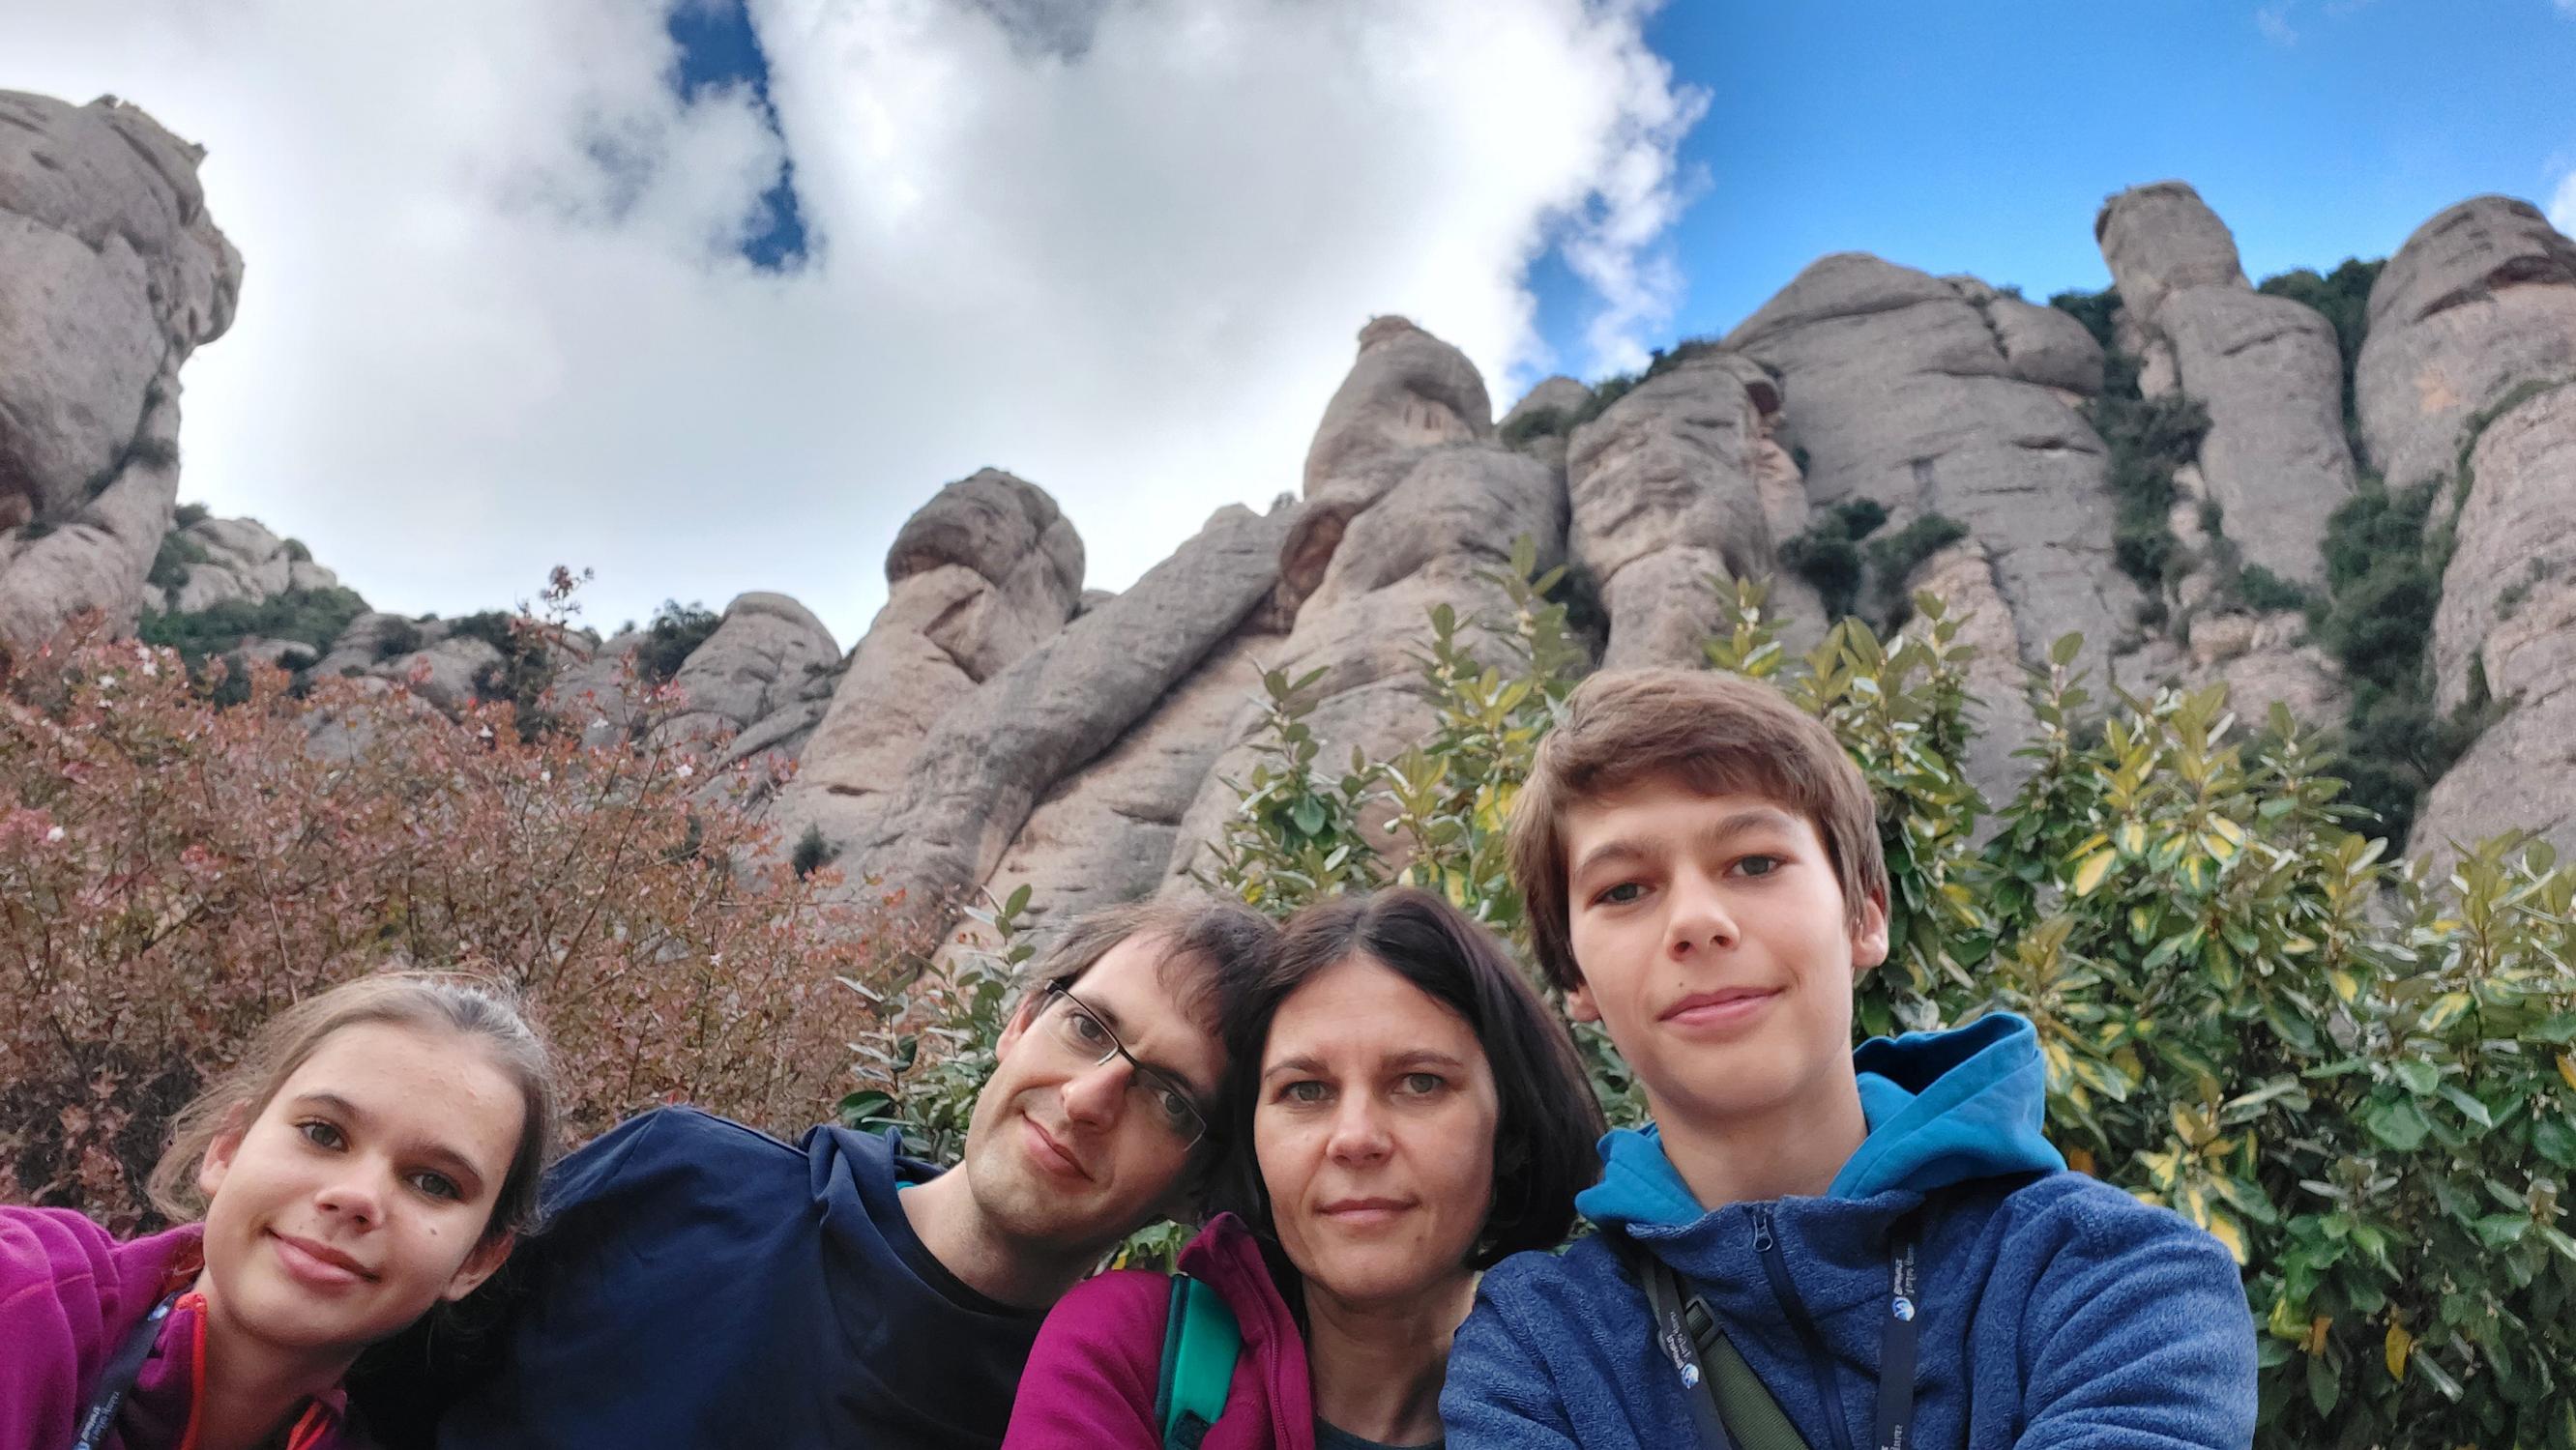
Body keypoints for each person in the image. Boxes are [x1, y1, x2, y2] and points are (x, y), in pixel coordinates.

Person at [1442, 666, 2259, 1448]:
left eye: (1755, 863)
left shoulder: (2111, 1281)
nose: (1696, 920)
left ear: (1866, 917)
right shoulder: (1538, 1354)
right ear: (1575, 979)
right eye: (1624, 889)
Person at [369, 895, 1277, 1450]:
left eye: (1169, 1099)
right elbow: (363, 1388)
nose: (1087, 1098)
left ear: (1197, 1187)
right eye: (1087, 1027)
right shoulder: (682, 1176)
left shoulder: (1084, 1418)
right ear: (1021, 1022)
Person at [1003, 887, 1605, 1450]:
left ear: (1510, 1130)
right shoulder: (1131, 1352)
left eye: (1420, 1083)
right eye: (1306, 1090)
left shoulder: (1610, 1383)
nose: (1356, 1139)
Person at [1, 972, 556, 1450]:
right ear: (227, 1148)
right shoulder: (23, 1296)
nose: (357, 1195)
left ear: (477, 1261)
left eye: (434, 1183)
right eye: (323, 1133)